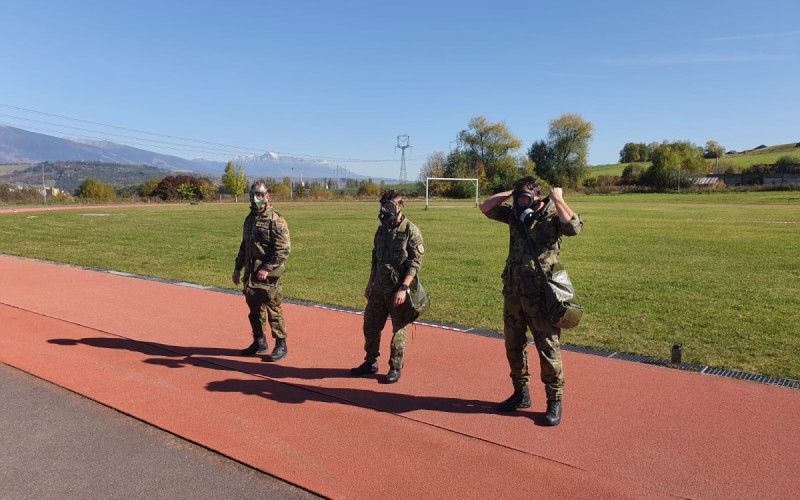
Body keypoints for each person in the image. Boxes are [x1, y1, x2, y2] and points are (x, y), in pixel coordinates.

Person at [479, 177, 583, 426]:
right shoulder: (515, 215)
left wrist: (558, 199)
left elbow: (574, 228)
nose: (520, 203)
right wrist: (513, 193)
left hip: (542, 297)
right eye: (518, 199)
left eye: (525, 199)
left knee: (548, 349)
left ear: (538, 197)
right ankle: (520, 393)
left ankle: (554, 400)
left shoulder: (552, 216)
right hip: (514, 294)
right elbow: (485, 207)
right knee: (513, 346)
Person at [351, 190, 425, 384]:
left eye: (389, 206)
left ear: (400, 206)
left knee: (398, 329)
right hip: (378, 288)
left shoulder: (410, 231)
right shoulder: (381, 229)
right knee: (370, 326)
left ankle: (395, 367)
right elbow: (375, 258)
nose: (385, 209)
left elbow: (415, 264)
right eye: (383, 205)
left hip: (397, 289)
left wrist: (404, 288)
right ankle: (370, 361)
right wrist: (370, 282)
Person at [232, 180, 291, 362]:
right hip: (251, 274)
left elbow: (283, 250)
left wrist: (266, 268)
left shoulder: (276, 220)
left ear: (267, 197)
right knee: (254, 310)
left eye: (259, 195)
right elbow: (245, 246)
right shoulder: (249, 219)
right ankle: (259, 341)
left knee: (274, 310)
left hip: (268, 276)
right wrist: (237, 268)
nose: (255, 199)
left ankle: (281, 345)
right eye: (252, 195)